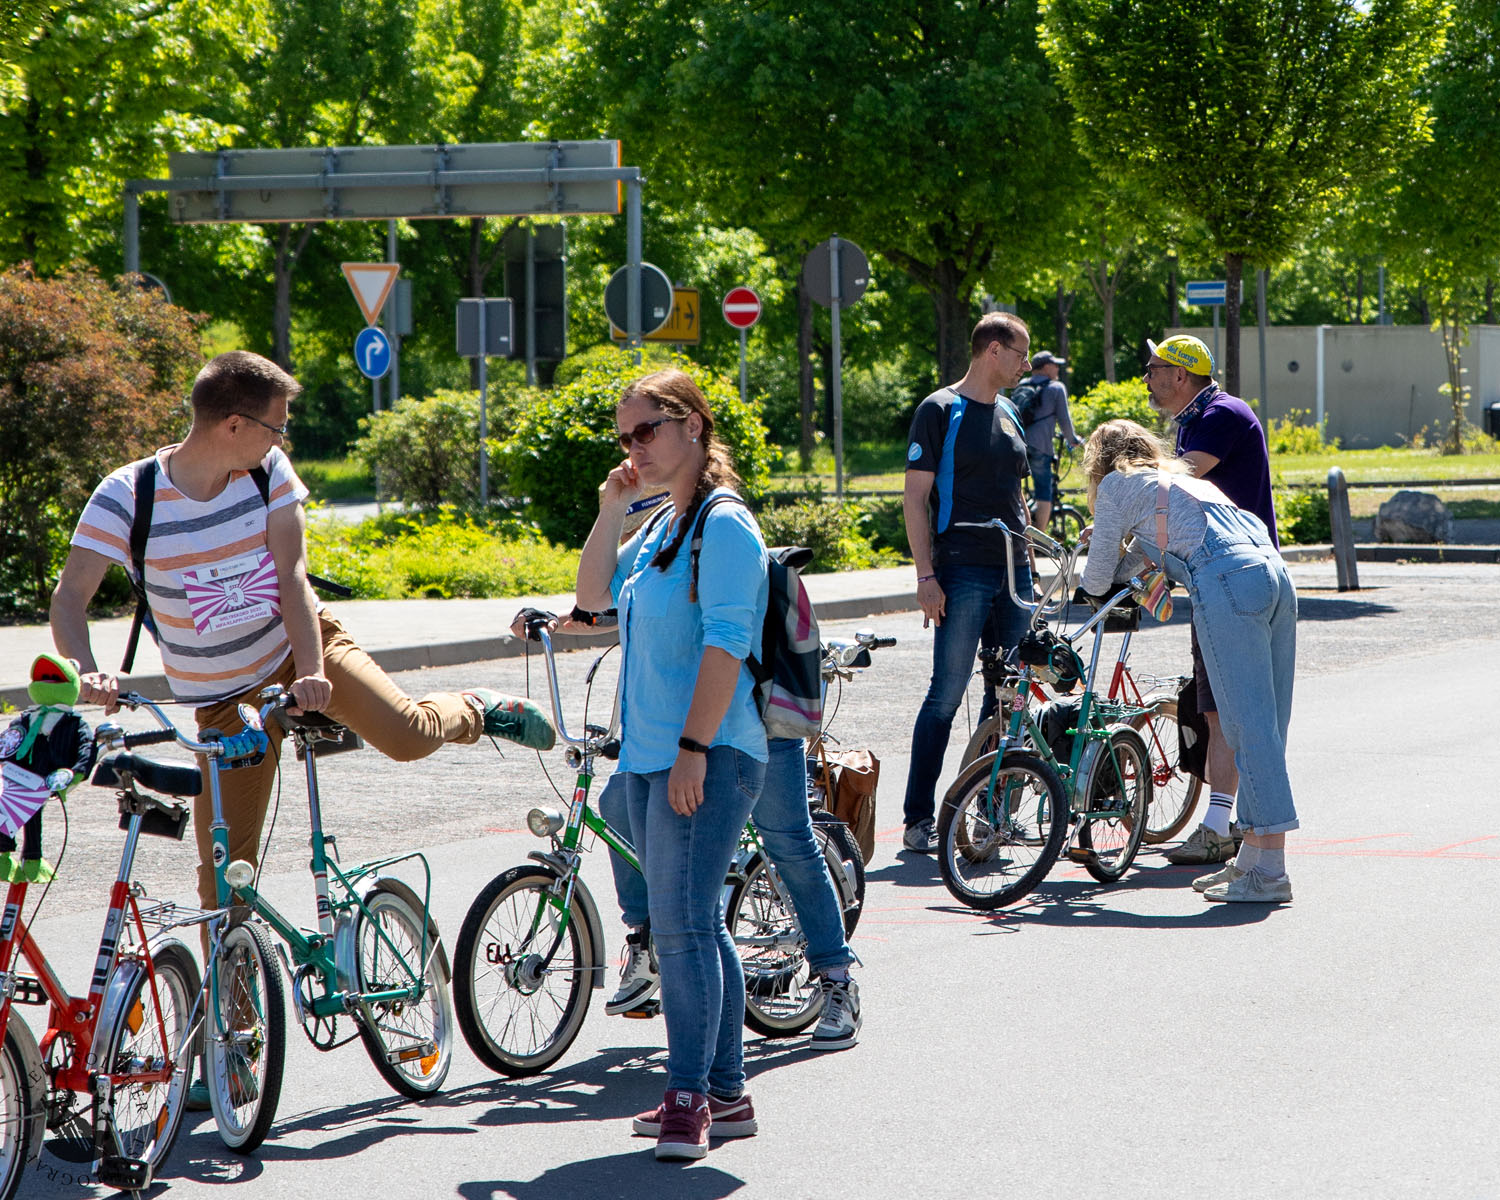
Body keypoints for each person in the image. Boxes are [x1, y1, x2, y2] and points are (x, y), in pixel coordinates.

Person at [49, 351, 553, 1101]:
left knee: (409, 735)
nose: (282, 440)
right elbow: (70, 599)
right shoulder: (129, 496)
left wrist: (312, 669)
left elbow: (291, 577)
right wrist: (88, 670)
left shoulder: (266, 475)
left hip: (300, 652)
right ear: (232, 423)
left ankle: (479, 709)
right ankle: (232, 1045)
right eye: (276, 427)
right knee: (227, 877)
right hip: (222, 701)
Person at [574, 367, 769, 1161]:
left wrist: (692, 751)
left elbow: (727, 644)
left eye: (647, 430)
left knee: (682, 929)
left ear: (693, 424)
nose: (635, 448)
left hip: (710, 754)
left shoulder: (724, 525)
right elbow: (592, 600)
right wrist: (610, 508)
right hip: (655, 756)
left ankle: (687, 1098)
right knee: (693, 924)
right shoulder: (661, 526)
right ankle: (726, 1094)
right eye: (626, 436)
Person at [1078, 420, 1297, 902]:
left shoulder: (1116, 485)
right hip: (1274, 573)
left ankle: (1271, 874)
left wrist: (1098, 545)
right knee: (1267, 725)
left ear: (1100, 461)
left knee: (1246, 728)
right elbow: (1141, 559)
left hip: (1227, 580)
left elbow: (1097, 581)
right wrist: (1122, 547)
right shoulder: (1181, 482)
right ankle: (1251, 859)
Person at [900, 312, 1034, 854]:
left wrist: (1031, 553)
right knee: (946, 694)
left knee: (1009, 698)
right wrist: (925, 575)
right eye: (1021, 353)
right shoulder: (939, 409)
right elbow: (914, 499)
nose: (1027, 364)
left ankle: (991, 815)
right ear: (993, 350)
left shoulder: (1010, 412)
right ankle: (918, 818)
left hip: (1015, 572)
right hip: (962, 568)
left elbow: (1017, 495)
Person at [1143, 334, 1279, 868]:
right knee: (1221, 707)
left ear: (1180, 374)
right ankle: (1231, 826)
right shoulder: (1193, 421)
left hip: (1234, 580)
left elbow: (1180, 482)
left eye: (1154, 368)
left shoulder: (1223, 413)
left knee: (1232, 710)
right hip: (1221, 579)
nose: (1147, 377)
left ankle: (1234, 832)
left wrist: (1122, 492)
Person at [1013, 349, 1082, 531]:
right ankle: (1038, 540)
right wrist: (1073, 439)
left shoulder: (1021, 385)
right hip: (1040, 446)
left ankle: (1018, 529)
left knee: (1017, 490)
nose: (1058, 368)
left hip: (1017, 444)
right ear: (1045, 367)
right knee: (1044, 493)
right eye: (1055, 365)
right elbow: (1064, 420)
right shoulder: (1056, 388)